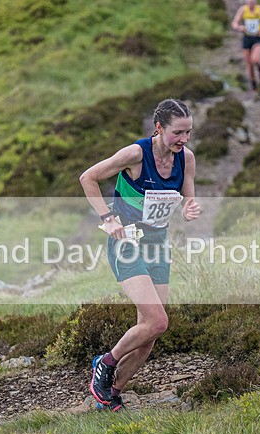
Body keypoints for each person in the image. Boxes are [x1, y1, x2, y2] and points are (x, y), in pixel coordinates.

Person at [79, 98, 201, 412]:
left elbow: (188, 196)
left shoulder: (186, 158)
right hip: (127, 242)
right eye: (177, 133)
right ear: (158, 128)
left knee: (148, 334)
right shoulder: (136, 154)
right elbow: (88, 178)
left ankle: (111, 393)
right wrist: (108, 217)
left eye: (187, 132)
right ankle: (105, 364)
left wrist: (190, 209)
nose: (183, 139)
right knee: (158, 321)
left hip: (157, 244)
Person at [231, 0, 260, 91]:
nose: (251, 4)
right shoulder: (243, 10)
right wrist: (238, 27)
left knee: (255, 60)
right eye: (249, 2)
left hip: (258, 37)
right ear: (246, 2)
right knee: (249, 64)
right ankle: (254, 85)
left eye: (252, 2)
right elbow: (234, 22)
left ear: (255, 2)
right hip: (247, 37)